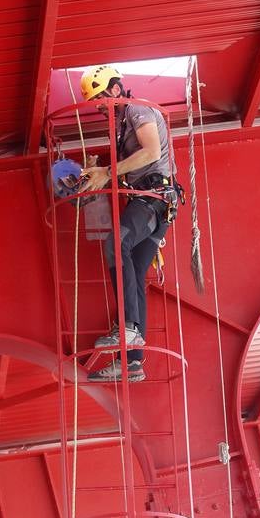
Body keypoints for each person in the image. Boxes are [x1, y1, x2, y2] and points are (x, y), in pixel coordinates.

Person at [79, 65, 176, 383]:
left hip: (152, 199)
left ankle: (129, 330)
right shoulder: (120, 124)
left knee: (115, 243)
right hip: (155, 204)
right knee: (133, 269)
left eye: (100, 98)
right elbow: (128, 167)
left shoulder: (137, 109)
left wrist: (108, 172)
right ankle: (131, 362)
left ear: (116, 90)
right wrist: (101, 169)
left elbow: (149, 152)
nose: (98, 107)